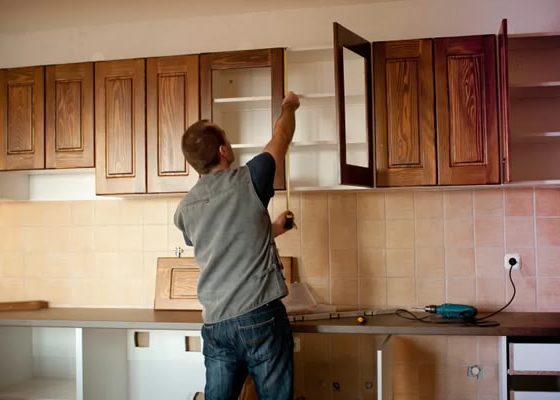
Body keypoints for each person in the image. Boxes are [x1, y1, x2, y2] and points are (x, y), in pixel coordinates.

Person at [174, 91, 300, 400]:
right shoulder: (251, 179)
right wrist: (289, 106)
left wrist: (273, 230)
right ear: (223, 150)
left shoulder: (185, 210)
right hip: (260, 317)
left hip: (217, 325)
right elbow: (281, 137)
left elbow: (223, 241)